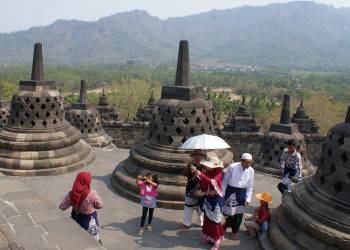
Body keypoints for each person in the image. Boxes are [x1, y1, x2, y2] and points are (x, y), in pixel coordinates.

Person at [59, 172, 103, 243]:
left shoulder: (71, 194)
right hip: (89, 221)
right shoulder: (92, 193)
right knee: (93, 241)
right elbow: (100, 205)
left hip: (76, 219)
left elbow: (62, 206)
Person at [192, 156, 225, 250]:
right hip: (208, 198)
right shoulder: (208, 172)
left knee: (215, 222)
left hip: (216, 201)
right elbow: (204, 183)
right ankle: (207, 237)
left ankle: (216, 241)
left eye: (208, 165)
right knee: (207, 219)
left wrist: (201, 175)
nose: (206, 167)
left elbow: (212, 182)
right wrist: (197, 175)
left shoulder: (219, 173)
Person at [222, 153, 254, 240]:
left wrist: (248, 198)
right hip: (230, 191)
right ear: (242, 161)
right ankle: (222, 229)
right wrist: (222, 194)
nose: (248, 164)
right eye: (247, 162)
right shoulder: (232, 167)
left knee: (238, 214)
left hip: (241, 193)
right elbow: (225, 181)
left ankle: (234, 232)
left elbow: (250, 186)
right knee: (227, 213)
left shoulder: (251, 170)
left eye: (250, 162)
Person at [182, 149, 205, 229]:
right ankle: (186, 223)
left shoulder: (205, 166)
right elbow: (185, 175)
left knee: (201, 207)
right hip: (191, 188)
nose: (198, 156)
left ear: (202, 156)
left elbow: (207, 177)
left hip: (202, 188)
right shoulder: (190, 164)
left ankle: (201, 222)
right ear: (194, 156)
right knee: (188, 207)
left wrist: (199, 174)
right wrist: (191, 173)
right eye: (196, 154)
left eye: (200, 155)